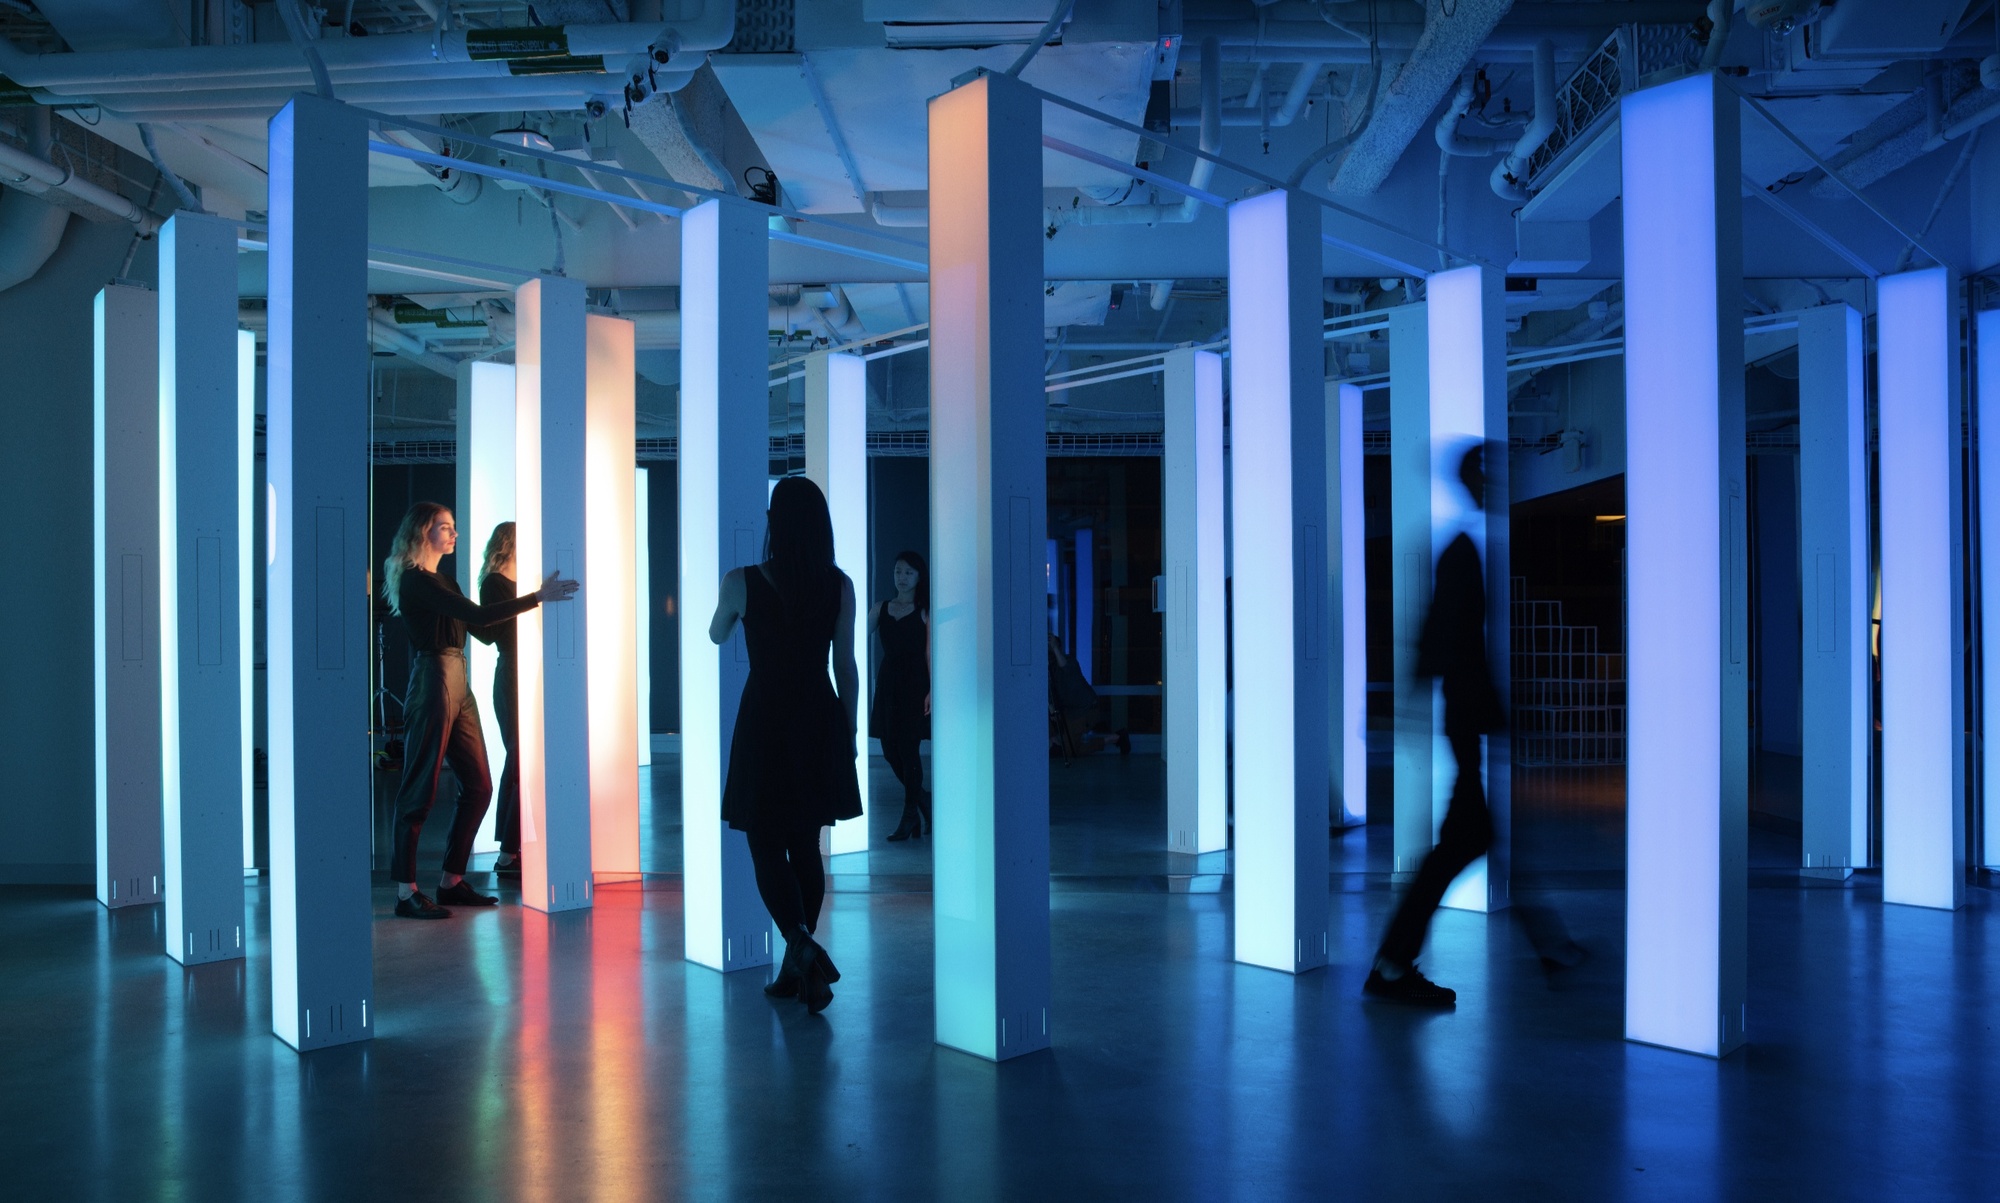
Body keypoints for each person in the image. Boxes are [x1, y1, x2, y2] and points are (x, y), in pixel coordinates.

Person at [709, 477, 863, 1013]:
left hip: (766, 719)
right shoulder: (838, 585)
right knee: (805, 843)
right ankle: (794, 966)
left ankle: (798, 946)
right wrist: (849, 731)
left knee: (764, 841)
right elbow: (846, 667)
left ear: (774, 523)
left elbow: (715, 633)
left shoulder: (742, 580)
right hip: (819, 718)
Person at [382, 503, 578, 919]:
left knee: (481, 785)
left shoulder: (444, 580)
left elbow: (482, 630)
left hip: (458, 679)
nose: (453, 534)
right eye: (444, 528)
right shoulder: (417, 582)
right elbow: (477, 615)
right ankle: (405, 892)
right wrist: (537, 597)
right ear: (422, 533)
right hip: (433, 680)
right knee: (419, 789)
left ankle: (451, 880)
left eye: (453, 527)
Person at [1365, 442, 1505, 1006]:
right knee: (1463, 842)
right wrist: (1418, 705)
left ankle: (1394, 962)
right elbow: (1445, 636)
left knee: (1469, 839)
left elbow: (1443, 637)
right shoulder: (1463, 553)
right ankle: (1393, 964)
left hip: (1467, 718)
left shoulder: (1468, 549)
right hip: (1466, 719)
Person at [869, 550, 931, 842]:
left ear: (919, 576)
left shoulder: (925, 610)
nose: (902, 578)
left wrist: (932, 689)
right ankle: (924, 802)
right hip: (889, 683)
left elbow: (931, 653)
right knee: (889, 750)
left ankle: (909, 817)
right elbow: (855, 636)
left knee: (908, 750)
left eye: (908, 572)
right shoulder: (880, 608)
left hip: (915, 684)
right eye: (898, 572)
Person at [476, 523, 524, 878]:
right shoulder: (495, 582)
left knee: (520, 760)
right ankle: (508, 852)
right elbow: (491, 634)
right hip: (510, 677)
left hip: (521, 675)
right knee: (520, 759)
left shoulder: (516, 581)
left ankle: (510, 849)